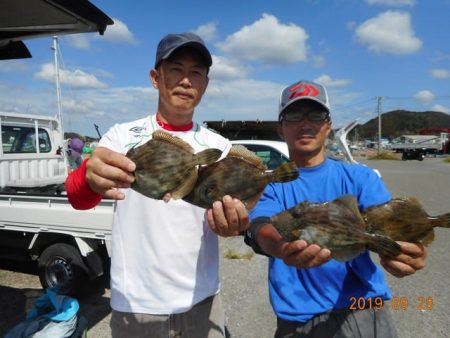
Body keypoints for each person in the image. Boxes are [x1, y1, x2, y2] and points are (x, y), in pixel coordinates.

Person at [65, 32, 249, 338]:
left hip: (202, 300)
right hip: (135, 304)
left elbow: (239, 211)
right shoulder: (121, 137)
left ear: (206, 83)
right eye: (176, 69)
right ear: (155, 77)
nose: (186, 80)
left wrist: (236, 223)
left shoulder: (220, 147)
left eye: (196, 72)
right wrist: (87, 178)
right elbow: (78, 197)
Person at [244, 80, 427, 338]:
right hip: (298, 320)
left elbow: (387, 224)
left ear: (328, 126)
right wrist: (281, 248)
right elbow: (262, 227)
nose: (306, 124)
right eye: (294, 115)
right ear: (281, 128)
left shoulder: (360, 178)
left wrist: (405, 248)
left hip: (365, 308)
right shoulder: (270, 185)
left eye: (316, 115)